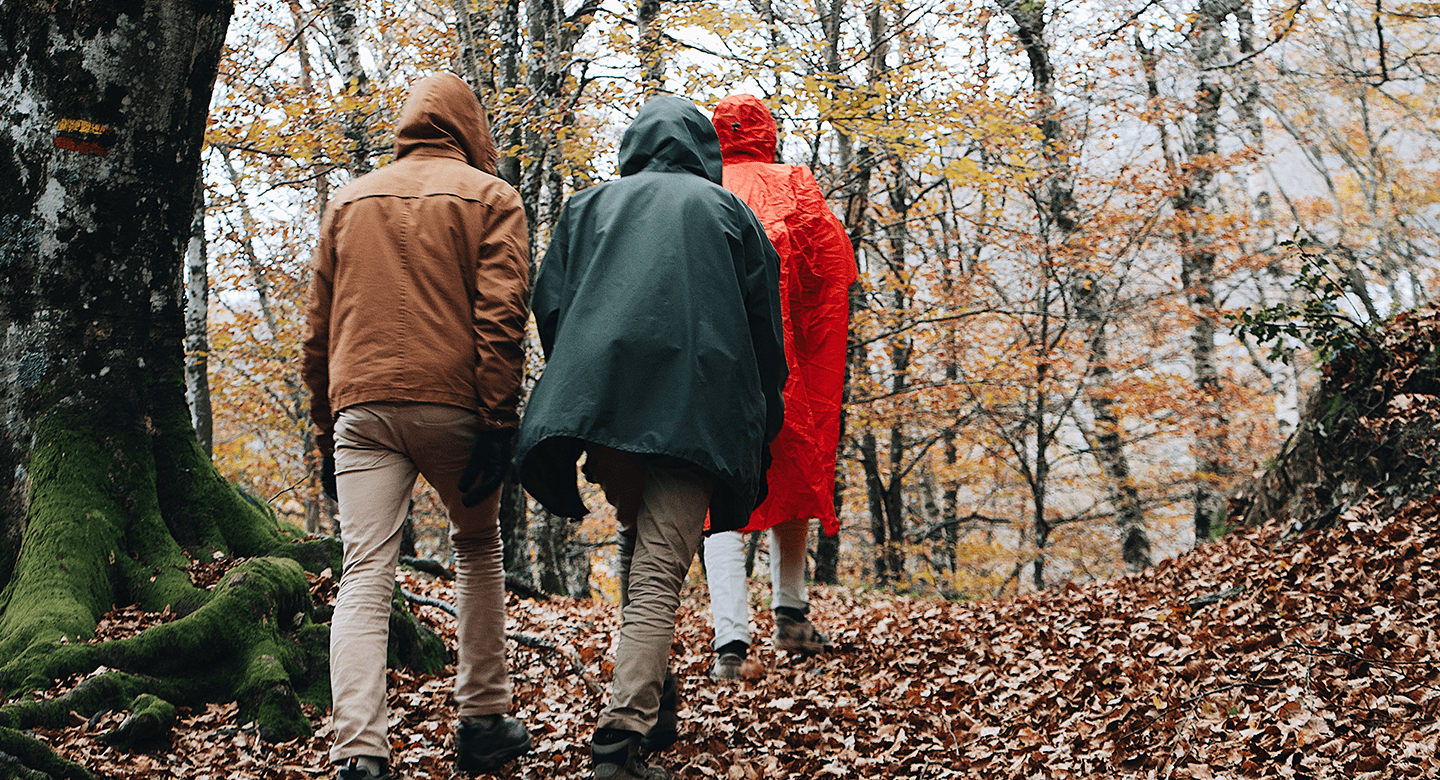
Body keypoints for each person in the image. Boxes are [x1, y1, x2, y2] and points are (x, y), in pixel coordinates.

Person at [514, 95, 786, 780]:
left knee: (642, 549)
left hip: (608, 411)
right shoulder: (730, 213)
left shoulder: (587, 207)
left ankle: (658, 705)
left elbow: (552, 305)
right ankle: (619, 739)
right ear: (703, 149)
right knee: (661, 567)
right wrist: (765, 414)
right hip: (698, 410)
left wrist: (584, 386)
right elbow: (763, 329)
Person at [301, 73, 532, 780]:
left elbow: (317, 330)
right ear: (471, 129)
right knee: (477, 548)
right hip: (457, 405)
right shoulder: (493, 198)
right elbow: (501, 317)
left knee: (365, 572)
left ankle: (361, 752)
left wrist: (323, 433)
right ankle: (483, 720)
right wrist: (498, 419)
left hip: (362, 409)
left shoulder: (347, 200)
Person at [702, 94, 857, 680]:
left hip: (717, 364)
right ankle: (790, 615)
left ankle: (730, 643)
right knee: (795, 469)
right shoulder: (793, 183)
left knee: (724, 492)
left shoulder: (702, 184)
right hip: (787, 362)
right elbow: (831, 266)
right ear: (767, 133)